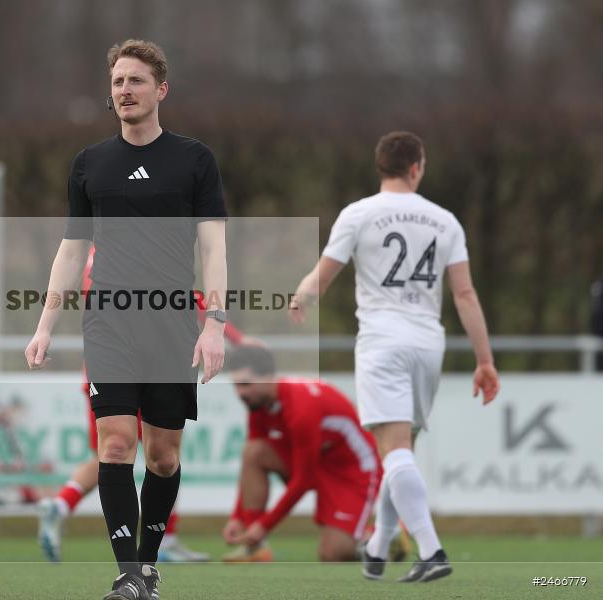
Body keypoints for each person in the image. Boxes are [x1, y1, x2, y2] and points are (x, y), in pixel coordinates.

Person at [26, 39, 228, 600]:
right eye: (117, 82)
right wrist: (45, 325)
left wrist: (214, 322)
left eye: (136, 81)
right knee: (114, 447)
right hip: (108, 322)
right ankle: (129, 576)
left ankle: (149, 563)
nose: (124, 91)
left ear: (160, 89)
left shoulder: (194, 160)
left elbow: (214, 248)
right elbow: (71, 251)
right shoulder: (90, 163)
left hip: (170, 325)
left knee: (163, 457)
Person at [290, 131, 500, 583]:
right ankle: (380, 547)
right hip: (428, 344)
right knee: (401, 453)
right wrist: (485, 361)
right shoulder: (445, 220)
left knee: (395, 451)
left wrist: (302, 297)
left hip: (383, 341)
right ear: (416, 167)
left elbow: (322, 276)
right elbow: (464, 294)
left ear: (381, 166)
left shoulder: (359, 214)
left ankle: (431, 550)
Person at [38, 247, 257, 564]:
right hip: (139, 366)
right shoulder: (130, 249)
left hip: (101, 369)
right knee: (162, 454)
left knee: (116, 453)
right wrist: (235, 336)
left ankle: (62, 503)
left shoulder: (92, 254)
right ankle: (161, 543)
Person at [222, 345, 382, 563]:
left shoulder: (300, 408)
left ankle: (382, 537)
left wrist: (265, 525)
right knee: (254, 451)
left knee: (332, 554)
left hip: (352, 471)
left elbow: (303, 480)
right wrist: (237, 517)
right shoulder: (258, 404)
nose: (240, 393)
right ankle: (255, 548)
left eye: (246, 384)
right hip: (319, 463)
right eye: (236, 385)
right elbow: (252, 461)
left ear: (269, 377)